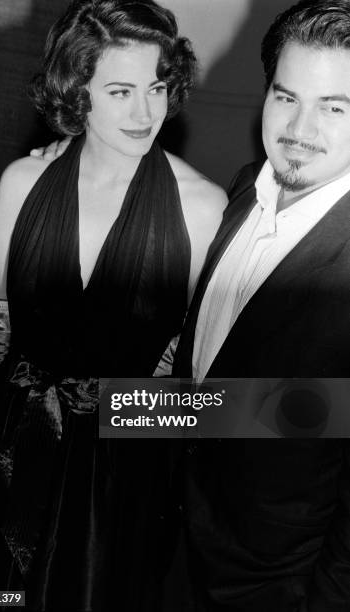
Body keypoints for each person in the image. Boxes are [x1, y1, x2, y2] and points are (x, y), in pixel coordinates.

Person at [0, 0, 226, 609]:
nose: (145, 112)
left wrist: (121, 425)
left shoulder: (201, 207)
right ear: (78, 92)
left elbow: (195, 376)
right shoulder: (23, 183)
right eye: (120, 91)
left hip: (117, 473)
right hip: (7, 447)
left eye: (157, 87)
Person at [173, 0, 350, 611]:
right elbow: (227, 402)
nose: (300, 128)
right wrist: (112, 409)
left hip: (277, 585)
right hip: (176, 550)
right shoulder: (247, 185)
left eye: (335, 106)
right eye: (285, 95)